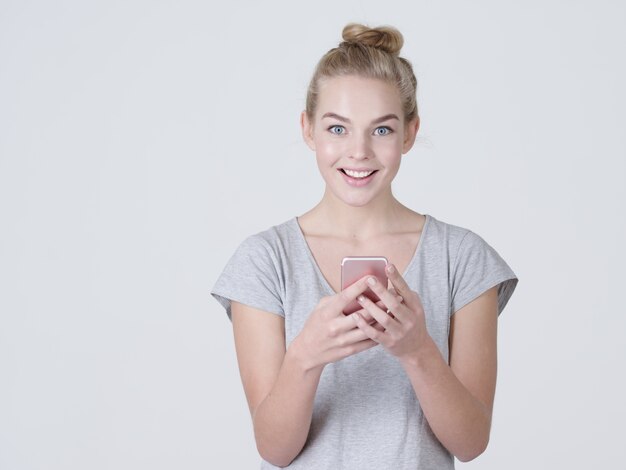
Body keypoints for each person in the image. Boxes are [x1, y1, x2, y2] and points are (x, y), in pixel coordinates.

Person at [211, 23, 518, 469]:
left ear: (410, 134)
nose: (358, 152)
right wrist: (305, 355)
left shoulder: (462, 258)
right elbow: (273, 449)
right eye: (337, 129)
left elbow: (470, 442)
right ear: (308, 129)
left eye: (381, 130)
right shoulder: (264, 260)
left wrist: (418, 351)